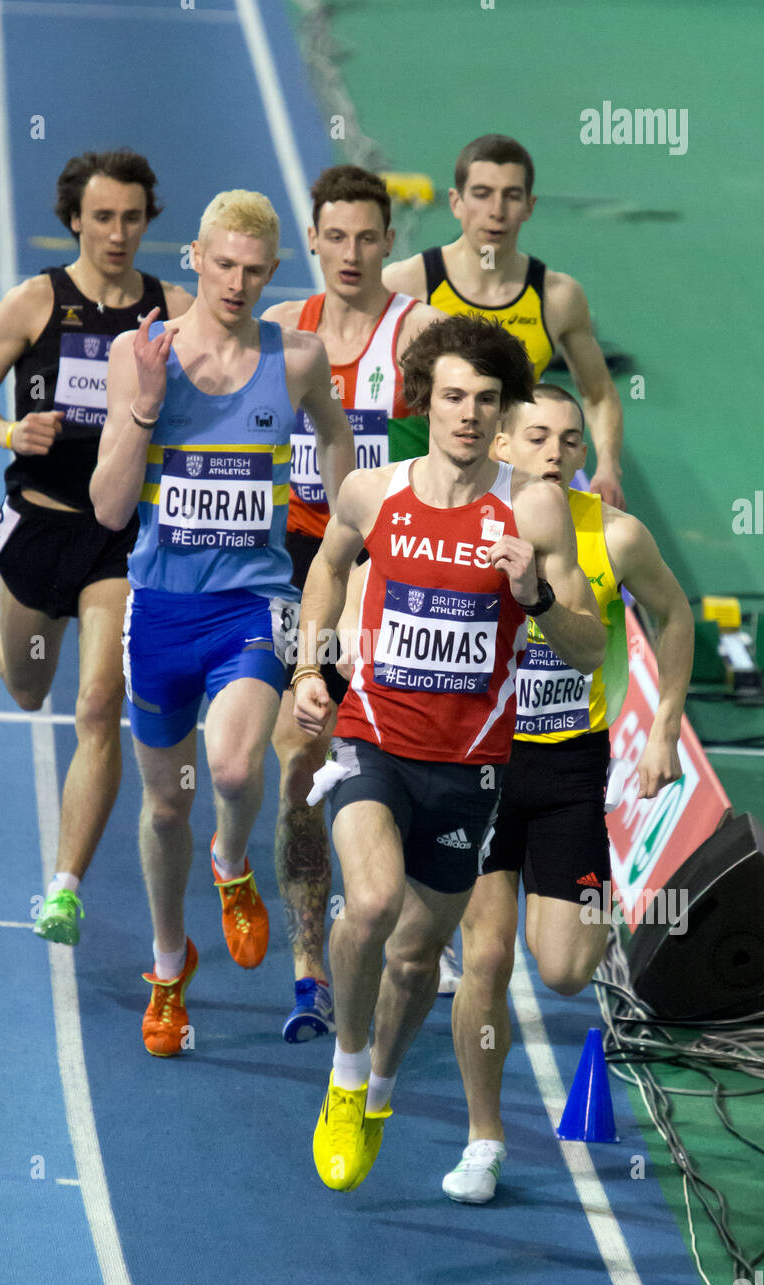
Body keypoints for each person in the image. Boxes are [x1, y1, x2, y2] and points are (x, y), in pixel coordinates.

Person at [292, 316, 606, 1191]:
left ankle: (383, 1085)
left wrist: (534, 591)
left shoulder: (531, 507)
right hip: (375, 741)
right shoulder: (371, 491)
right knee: (374, 903)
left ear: (503, 415)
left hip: (470, 770)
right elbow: (326, 567)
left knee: (414, 956)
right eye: (455, 397)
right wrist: (309, 664)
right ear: (425, 400)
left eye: (487, 401)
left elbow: (587, 649)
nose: (468, 414)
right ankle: (346, 1079)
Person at [90, 189, 355, 1058]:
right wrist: (143, 408)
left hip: (256, 602)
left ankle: (234, 864)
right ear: (194, 260)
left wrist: (349, 540)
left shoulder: (301, 358)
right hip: (162, 607)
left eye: (254, 270)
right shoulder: (143, 353)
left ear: (273, 271)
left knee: (237, 768)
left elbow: (339, 443)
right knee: (165, 808)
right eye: (223, 265)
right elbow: (106, 509)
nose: (238, 283)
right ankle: (170, 965)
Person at [444, 383, 693, 1204]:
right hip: (482, 768)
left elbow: (675, 614)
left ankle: (596, 903)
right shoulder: (466, 527)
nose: (557, 452)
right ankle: (484, 1139)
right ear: (504, 446)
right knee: (483, 956)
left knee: (560, 970)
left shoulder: (614, 535)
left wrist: (660, 731)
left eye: (572, 440)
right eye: (539, 436)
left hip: (571, 772)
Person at [0, 149, 193, 945]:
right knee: (27, 688)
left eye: (131, 217)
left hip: (119, 536)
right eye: (102, 218)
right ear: (74, 221)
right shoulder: (35, 303)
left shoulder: (173, 310)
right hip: (39, 518)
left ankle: (62, 888)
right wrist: (13, 430)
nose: (118, 233)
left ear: (148, 219)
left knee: (97, 705)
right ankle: (5, 640)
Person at [261, 165, 445, 1042]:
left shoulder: (426, 335)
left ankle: (388, 923)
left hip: (393, 572)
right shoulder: (278, 331)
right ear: (312, 238)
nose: (351, 253)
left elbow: (502, 426)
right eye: (334, 237)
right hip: (296, 562)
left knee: (384, 754)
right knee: (292, 757)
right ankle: (308, 963)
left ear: (388, 242)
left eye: (368, 238)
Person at [383, 133, 626, 509]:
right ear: (455, 202)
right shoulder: (405, 285)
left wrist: (608, 466)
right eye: (481, 193)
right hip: (418, 495)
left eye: (511, 196)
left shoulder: (557, 297)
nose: (496, 210)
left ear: (529, 206)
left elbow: (598, 394)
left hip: (511, 497)